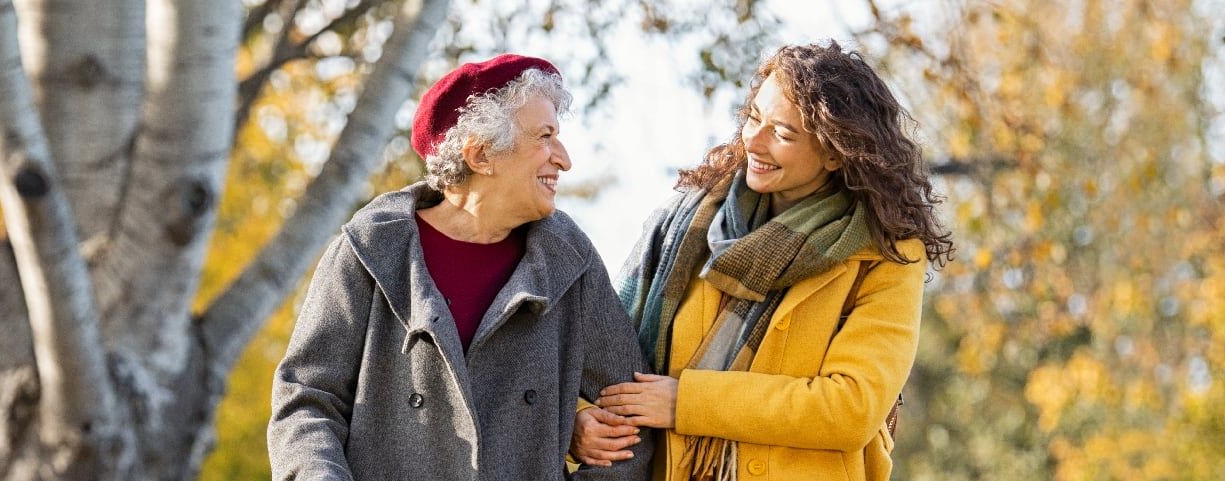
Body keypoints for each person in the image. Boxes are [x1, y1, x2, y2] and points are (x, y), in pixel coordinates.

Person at [570, 41, 955, 480]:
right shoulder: (687, 228)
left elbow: (851, 407)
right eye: (754, 117)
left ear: (835, 152)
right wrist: (579, 421)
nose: (753, 140)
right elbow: (602, 354)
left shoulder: (885, 256)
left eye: (783, 134)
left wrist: (686, 403)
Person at [269, 54, 653, 481]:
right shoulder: (369, 251)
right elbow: (307, 401)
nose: (564, 160)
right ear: (481, 154)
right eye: (545, 137)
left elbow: (633, 412)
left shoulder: (569, 260)